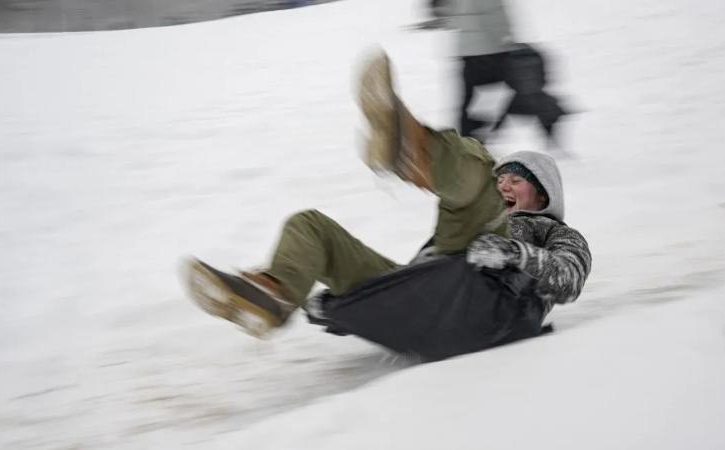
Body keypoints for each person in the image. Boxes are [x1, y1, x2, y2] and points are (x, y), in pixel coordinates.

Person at [181, 50, 590, 361]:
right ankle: (272, 297)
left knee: (477, 169)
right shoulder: (468, 226)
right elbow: (420, 277)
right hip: (432, 305)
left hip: (494, 313)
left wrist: (513, 251)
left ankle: (415, 152)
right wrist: (344, 310)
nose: (505, 183)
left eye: (517, 180)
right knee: (312, 228)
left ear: (544, 196)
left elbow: (569, 279)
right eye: (504, 177)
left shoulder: (555, 234)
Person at [435, 0, 566, 143]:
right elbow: (495, 17)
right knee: (490, 100)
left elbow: (452, 14)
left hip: (469, 51)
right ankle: (472, 144)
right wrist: (507, 41)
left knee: (477, 101)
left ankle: (468, 144)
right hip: (489, 51)